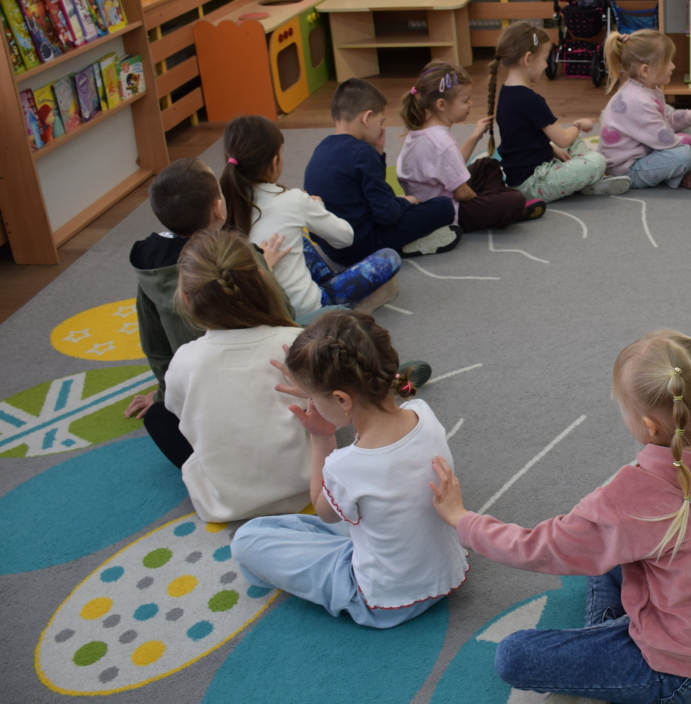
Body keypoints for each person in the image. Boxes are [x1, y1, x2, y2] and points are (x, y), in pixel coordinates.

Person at [429, 331, 691, 704]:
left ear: (649, 426)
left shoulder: (632, 498)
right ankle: (604, 662)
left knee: (514, 655)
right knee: (606, 555)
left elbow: (541, 548)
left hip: (683, 671)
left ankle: (604, 670)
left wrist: (462, 519)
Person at [231, 311, 467, 628]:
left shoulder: (345, 466)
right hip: (447, 570)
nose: (311, 403)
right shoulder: (422, 412)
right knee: (302, 526)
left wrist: (322, 438)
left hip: (385, 598)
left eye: (313, 397)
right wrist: (320, 392)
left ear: (342, 399)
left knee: (248, 538)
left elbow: (324, 512)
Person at [125, 158, 294, 467]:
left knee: (158, 417)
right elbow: (286, 312)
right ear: (219, 208)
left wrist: (166, 392)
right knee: (328, 319)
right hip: (269, 383)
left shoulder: (149, 268)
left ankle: (213, 466)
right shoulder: (240, 254)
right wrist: (265, 268)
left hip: (202, 392)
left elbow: (155, 346)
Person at [164, 229, 311, 522]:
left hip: (222, 503)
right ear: (262, 278)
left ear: (187, 300)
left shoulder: (183, 361)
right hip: (305, 487)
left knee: (159, 417)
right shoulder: (296, 342)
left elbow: (182, 415)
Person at [221, 115, 401, 321]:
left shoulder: (226, 205)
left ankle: (328, 286)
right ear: (274, 162)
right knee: (389, 257)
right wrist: (316, 207)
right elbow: (345, 238)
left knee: (299, 241)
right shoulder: (293, 200)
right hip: (310, 309)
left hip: (266, 308)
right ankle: (338, 309)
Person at [304, 78, 459, 262]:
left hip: (332, 250)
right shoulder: (362, 153)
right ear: (367, 118)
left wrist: (377, 153)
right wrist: (405, 202)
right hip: (362, 248)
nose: (382, 128)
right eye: (381, 121)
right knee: (443, 206)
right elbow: (387, 215)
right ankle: (404, 245)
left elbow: (369, 196)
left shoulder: (321, 147)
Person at [397, 60, 547, 234]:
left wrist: (475, 136)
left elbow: (449, 166)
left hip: (433, 200)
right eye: (465, 100)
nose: (471, 104)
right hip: (451, 213)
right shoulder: (441, 142)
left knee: (487, 165)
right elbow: (463, 194)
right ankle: (502, 210)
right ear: (442, 105)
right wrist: (482, 200)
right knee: (515, 199)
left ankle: (496, 207)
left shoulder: (419, 131)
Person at [491, 21, 625, 200]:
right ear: (528, 59)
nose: (546, 66)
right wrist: (578, 124)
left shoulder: (506, 92)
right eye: (545, 59)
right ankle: (589, 180)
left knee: (573, 142)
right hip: (534, 184)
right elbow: (563, 139)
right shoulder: (531, 100)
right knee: (597, 160)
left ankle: (585, 179)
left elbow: (522, 139)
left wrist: (551, 149)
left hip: (521, 175)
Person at [598, 29, 691, 190]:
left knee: (685, 133)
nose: (673, 66)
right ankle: (675, 174)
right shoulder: (639, 100)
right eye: (667, 62)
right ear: (645, 71)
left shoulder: (648, 88)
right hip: (627, 169)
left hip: (644, 150)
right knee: (686, 153)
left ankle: (674, 174)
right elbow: (666, 140)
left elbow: (666, 120)